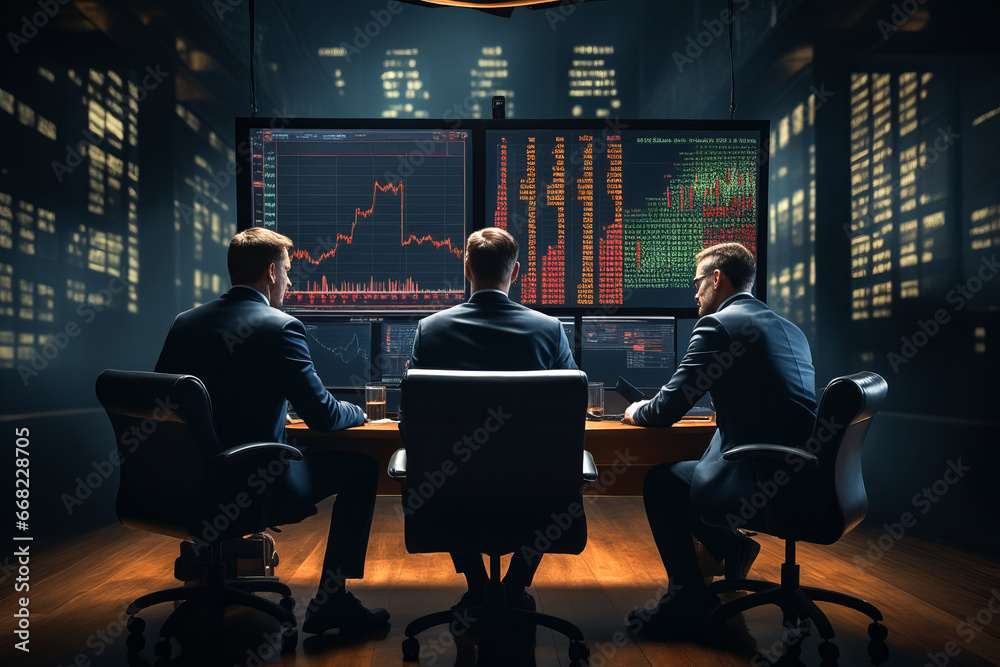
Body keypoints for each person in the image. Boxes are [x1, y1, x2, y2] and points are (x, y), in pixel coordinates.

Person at [155, 227, 389, 636]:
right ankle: (331, 601)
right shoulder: (280, 327)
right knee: (362, 469)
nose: (290, 281)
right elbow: (323, 416)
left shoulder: (183, 324)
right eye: (287, 271)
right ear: (269, 272)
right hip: (254, 484)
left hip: (180, 486)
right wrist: (358, 411)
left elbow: (167, 406)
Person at [621, 242, 817, 638]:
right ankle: (728, 544)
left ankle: (687, 600)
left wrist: (634, 410)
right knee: (687, 473)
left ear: (716, 279)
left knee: (662, 482)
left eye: (697, 284)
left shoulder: (718, 325)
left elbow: (665, 410)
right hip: (809, 479)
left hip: (758, 476)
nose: (694, 294)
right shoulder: (791, 330)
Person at [405, 226, 577, 609]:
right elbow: (570, 409)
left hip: (452, 489)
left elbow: (411, 419)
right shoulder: (549, 330)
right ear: (516, 273)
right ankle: (516, 584)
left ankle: (478, 585)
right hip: (533, 488)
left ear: (466, 269)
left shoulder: (430, 331)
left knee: (440, 473)